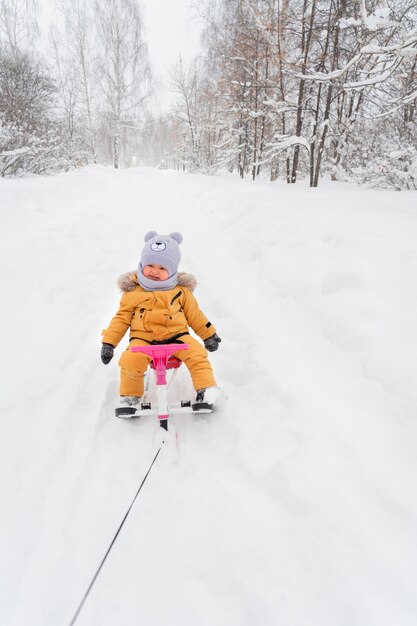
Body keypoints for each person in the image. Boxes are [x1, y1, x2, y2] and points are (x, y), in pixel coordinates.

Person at [101, 231, 221, 417]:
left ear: (172, 270)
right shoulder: (133, 293)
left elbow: (195, 315)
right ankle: (130, 396)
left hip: (177, 337)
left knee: (197, 354)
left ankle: (207, 390)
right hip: (143, 339)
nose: (155, 271)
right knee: (130, 359)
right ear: (141, 264)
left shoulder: (181, 292)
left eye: (162, 267)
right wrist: (109, 342)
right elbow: (121, 319)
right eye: (150, 265)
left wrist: (209, 335)